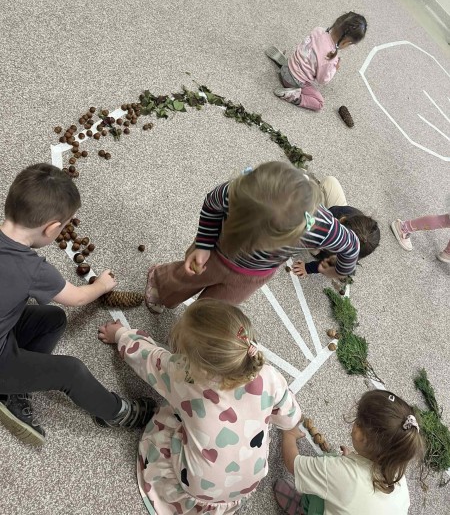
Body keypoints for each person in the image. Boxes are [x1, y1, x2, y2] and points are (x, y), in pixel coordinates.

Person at [98, 298, 302, 515]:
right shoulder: (270, 376)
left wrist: (120, 335)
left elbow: (148, 358)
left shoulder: (185, 378)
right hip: (246, 483)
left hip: (195, 486)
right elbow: (289, 417)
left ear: (192, 362)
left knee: (171, 417)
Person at [0, 163, 155, 446]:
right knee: (71, 371)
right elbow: (77, 298)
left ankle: (19, 379)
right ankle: (116, 413)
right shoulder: (34, 269)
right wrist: (102, 286)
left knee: (53, 319)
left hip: (5, 331)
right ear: (52, 228)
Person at [144, 162, 359, 314]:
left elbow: (352, 245)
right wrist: (203, 243)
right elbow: (211, 206)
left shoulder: (318, 226)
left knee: (212, 311)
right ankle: (160, 283)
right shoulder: (237, 192)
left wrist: (339, 270)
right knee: (183, 279)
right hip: (215, 251)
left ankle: (194, 328)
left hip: (251, 275)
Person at [274, 389, 425, 515]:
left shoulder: (341, 473)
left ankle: (303, 509)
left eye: (358, 421)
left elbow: (293, 464)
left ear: (360, 435)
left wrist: (289, 433)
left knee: (324, 471)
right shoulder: (397, 474)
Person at [266, 12, 367, 112]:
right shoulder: (331, 57)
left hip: (288, 66)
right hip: (293, 82)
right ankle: (294, 96)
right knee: (319, 103)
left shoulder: (318, 30)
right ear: (346, 43)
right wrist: (334, 69)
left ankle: (285, 63)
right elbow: (322, 80)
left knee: (305, 58)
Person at [292, 176, 379, 278]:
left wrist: (308, 268)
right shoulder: (343, 215)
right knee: (330, 182)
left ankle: (316, 245)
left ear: (342, 220)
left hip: (328, 244)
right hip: (332, 224)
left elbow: (332, 266)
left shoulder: (346, 250)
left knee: (309, 238)